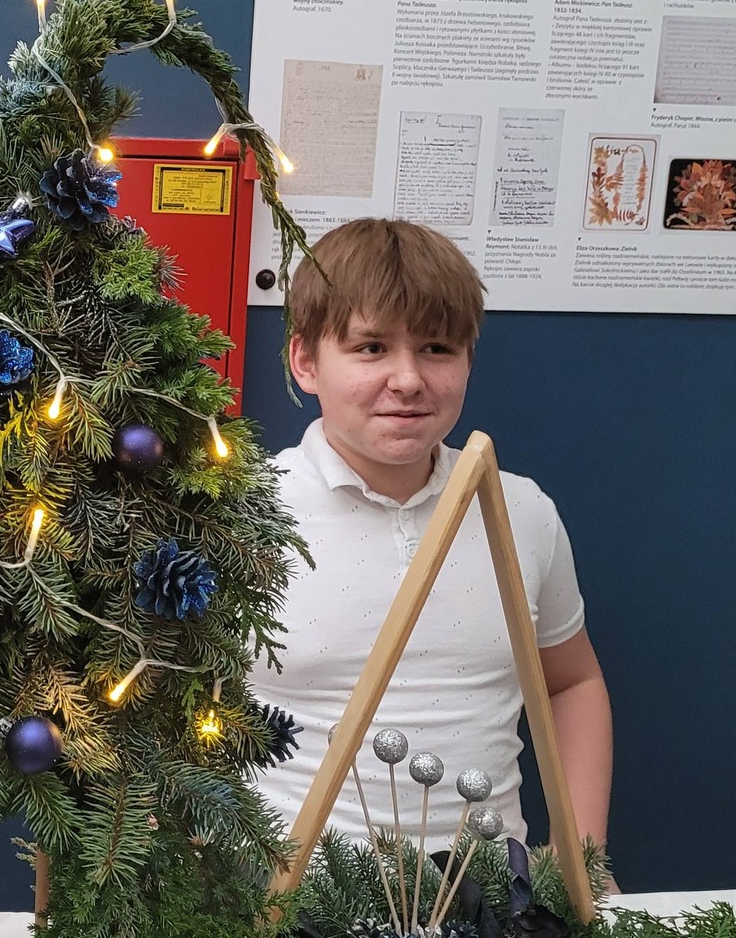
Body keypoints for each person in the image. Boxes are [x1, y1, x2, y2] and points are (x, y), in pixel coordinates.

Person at [251, 218, 613, 864]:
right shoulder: (240, 513)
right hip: (278, 897)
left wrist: (579, 856)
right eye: (370, 348)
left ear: (469, 359)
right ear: (305, 361)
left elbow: (572, 682)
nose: (408, 379)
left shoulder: (521, 511)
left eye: (437, 348)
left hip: (492, 894)